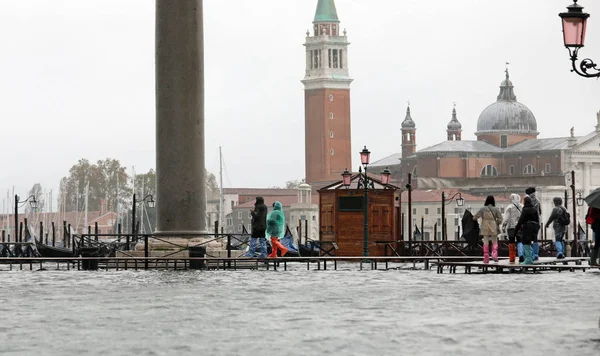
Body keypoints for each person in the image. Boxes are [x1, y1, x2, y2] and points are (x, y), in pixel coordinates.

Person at [473, 196, 503, 263]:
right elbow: (500, 219)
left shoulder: (482, 209)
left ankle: (486, 256)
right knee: (494, 241)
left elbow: (475, 217)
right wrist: (496, 222)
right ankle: (494, 253)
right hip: (493, 226)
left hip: (485, 226)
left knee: (485, 241)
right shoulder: (496, 209)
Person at [513, 196, 540, 265]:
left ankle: (528, 258)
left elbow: (521, 220)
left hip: (528, 227)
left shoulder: (525, 210)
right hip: (535, 226)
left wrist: (516, 230)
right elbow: (537, 219)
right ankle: (534, 255)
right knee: (534, 240)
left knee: (526, 242)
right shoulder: (534, 209)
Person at [502, 193, 522, 263]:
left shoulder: (509, 207)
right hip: (520, 226)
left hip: (511, 227)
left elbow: (506, 218)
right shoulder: (522, 206)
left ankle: (512, 257)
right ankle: (521, 254)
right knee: (520, 241)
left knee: (511, 241)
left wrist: (504, 226)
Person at [525, 187, 542, 260]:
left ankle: (529, 254)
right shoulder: (537, 200)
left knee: (527, 238)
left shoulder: (528, 200)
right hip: (537, 221)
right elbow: (540, 211)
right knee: (535, 238)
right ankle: (536, 254)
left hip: (529, 221)